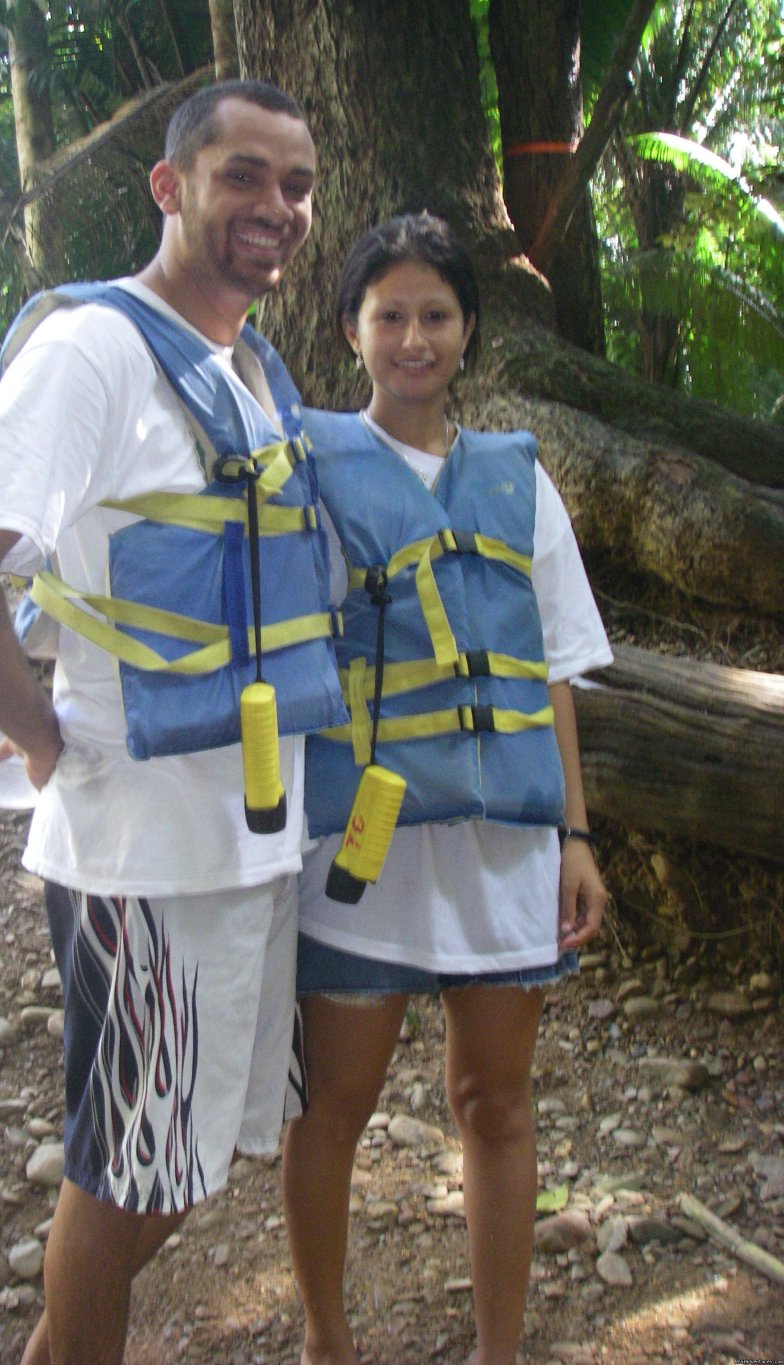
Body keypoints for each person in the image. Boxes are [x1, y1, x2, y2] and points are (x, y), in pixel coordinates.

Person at [0, 80, 325, 1365]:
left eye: (295, 184)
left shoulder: (251, 368)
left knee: (182, 1166)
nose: (274, 208)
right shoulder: (97, 350)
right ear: (170, 185)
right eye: (242, 175)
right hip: (140, 857)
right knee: (125, 1171)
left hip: (252, 838)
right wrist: (38, 734)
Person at [282, 213, 612, 1365]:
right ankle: (328, 1341)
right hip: (362, 853)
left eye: (434, 315)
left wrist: (574, 832)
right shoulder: (310, 479)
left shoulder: (521, 486)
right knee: (334, 1106)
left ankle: (497, 1352)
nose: (413, 338)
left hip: (502, 849)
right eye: (390, 316)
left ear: (469, 330)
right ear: (350, 331)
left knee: (495, 1103)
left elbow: (555, 674)